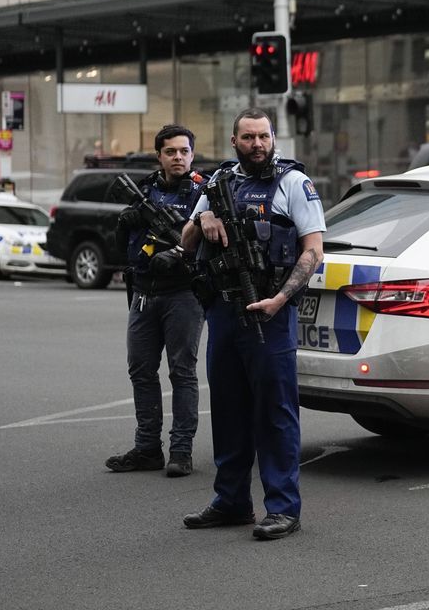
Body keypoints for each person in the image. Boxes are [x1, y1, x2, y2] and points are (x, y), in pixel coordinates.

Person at [181, 108, 325, 541]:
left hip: (271, 311)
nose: (257, 144)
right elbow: (185, 242)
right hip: (224, 312)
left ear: (273, 138)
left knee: (275, 414)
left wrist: (281, 298)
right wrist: (201, 218)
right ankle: (231, 501)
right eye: (248, 138)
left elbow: (314, 250)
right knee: (227, 410)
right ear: (234, 141)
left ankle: (283, 508)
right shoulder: (217, 182)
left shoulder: (293, 183)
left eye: (264, 136)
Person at [105, 124, 207, 478]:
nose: (177, 157)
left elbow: (214, 240)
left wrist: (180, 253)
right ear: (159, 156)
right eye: (170, 152)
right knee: (141, 371)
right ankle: (147, 448)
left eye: (183, 151)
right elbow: (124, 246)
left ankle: (181, 450)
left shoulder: (204, 192)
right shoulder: (145, 191)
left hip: (183, 293)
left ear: (192, 154)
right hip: (145, 291)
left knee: (182, 372)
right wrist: (125, 223)